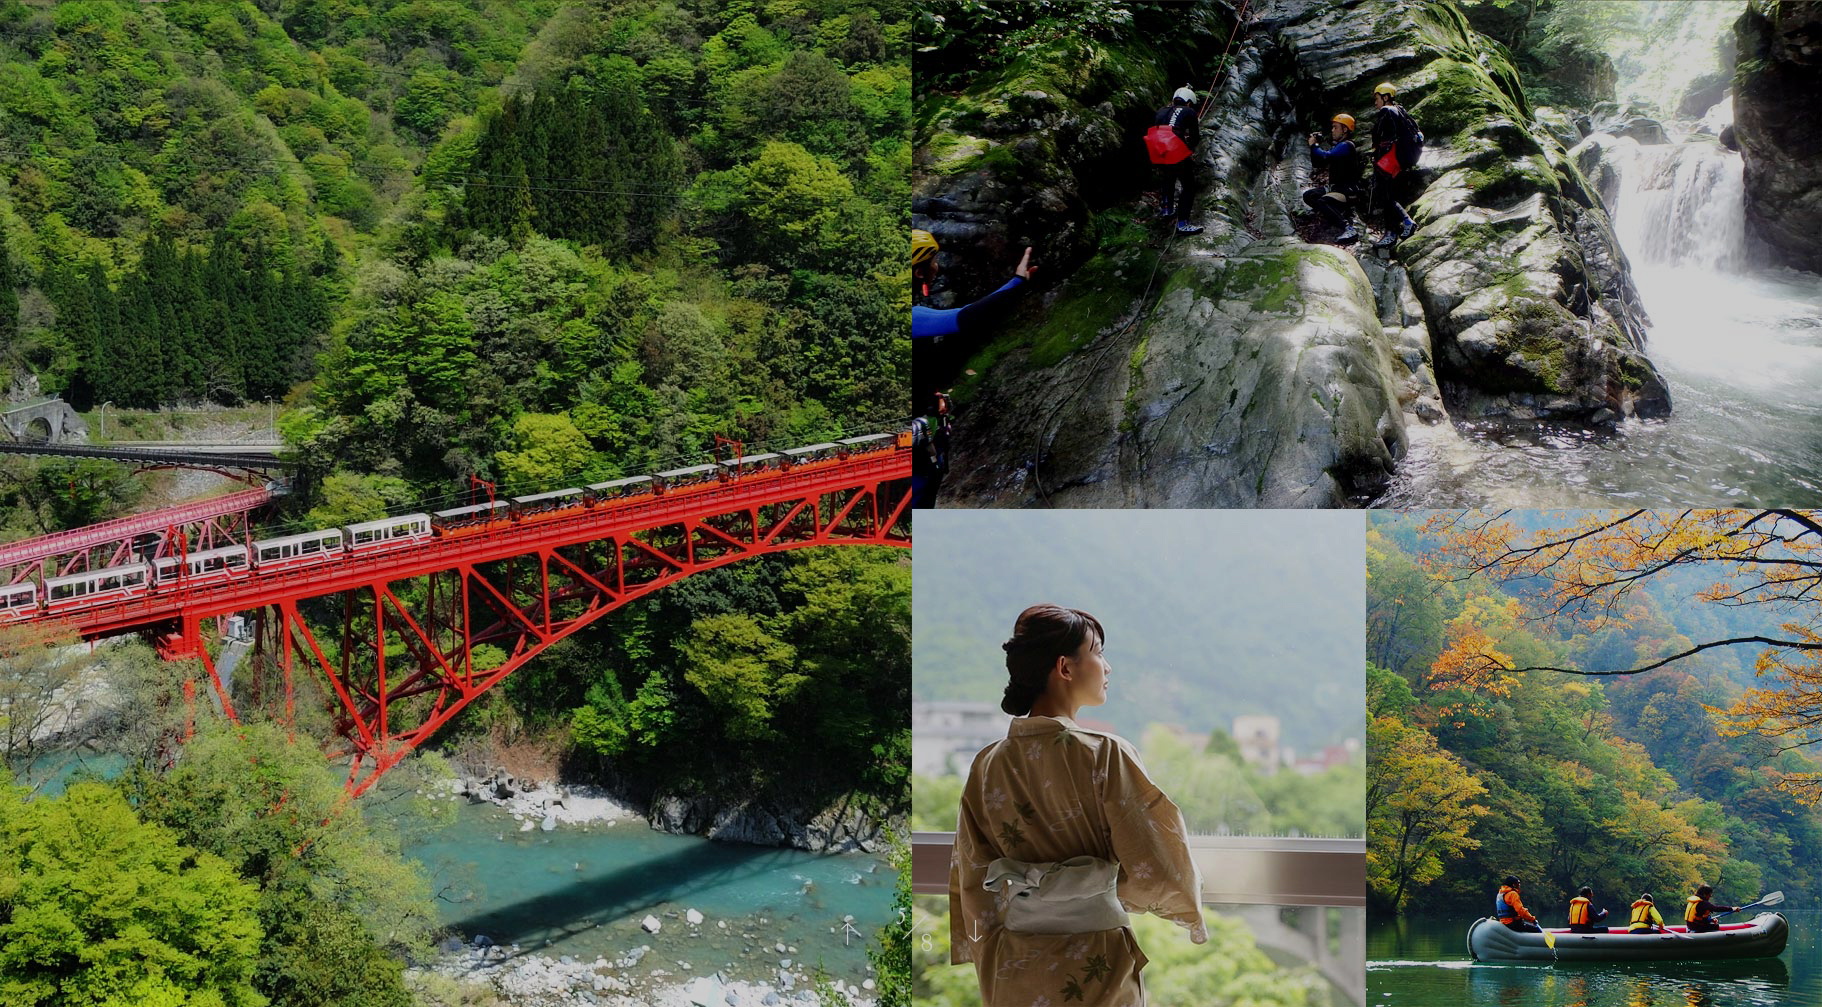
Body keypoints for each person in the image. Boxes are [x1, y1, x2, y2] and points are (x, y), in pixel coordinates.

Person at [950, 605, 1205, 1007]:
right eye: (1098, 652)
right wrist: (1104, 888)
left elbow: (972, 877)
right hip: (1095, 961)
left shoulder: (987, 763)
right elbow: (1154, 866)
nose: (1107, 667)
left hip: (1014, 963)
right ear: (1065, 668)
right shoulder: (1106, 754)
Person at [911, 230, 1035, 508]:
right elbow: (968, 317)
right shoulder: (913, 318)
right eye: (933, 261)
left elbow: (967, 312)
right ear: (919, 273)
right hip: (915, 446)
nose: (937, 266)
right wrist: (1016, 283)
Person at [1368, 82, 1419, 249]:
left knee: (1385, 195)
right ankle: (1401, 225)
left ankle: (1393, 232)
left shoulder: (1387, 110)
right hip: (1400, 158)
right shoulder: (1401, 110)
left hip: (1389, 158)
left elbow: (1381, 136)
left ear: (1385, 97)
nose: (1375, 103)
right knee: (1389, 195)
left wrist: (1376, 154)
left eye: (1377, 98)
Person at [1148, 85, 1205, 235]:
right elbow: (1195, 137)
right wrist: (1189, 149)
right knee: (1189, 185)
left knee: (1168, 176)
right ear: (1189, 102)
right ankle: (1183, 223)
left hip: (1156, 147)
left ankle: (1166, 209)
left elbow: (1166, 128)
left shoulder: (1161, 110)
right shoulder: (1189, 111)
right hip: (1173, 148)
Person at [1302, 112, 1363, 244]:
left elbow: (1326, 157)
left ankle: (1348, 228)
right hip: (1336, 188)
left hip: (1348, 191)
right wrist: (1314, 147)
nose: (1332, 130)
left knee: (1323, 202)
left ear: (1345, 129)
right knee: (1309, 195)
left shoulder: (1347, 145)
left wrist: (1314, 146)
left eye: (1336, 127)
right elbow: (1318, 163)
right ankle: (1333, 213)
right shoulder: (1339, 146)